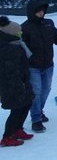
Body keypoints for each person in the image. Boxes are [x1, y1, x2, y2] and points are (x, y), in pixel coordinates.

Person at [21, 0, 57, 133]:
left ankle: (39, 110)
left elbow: (56, 37)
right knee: (36, 91)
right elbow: (22, 47)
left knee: (46, 89)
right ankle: (36, 119)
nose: (41, 13)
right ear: (32, 12)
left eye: (43, 10)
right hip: (33, 66)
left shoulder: (48, 24)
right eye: (38, 10)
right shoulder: (25, 27)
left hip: (48, 64)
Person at [0, 17, 34, 147]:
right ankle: (7, 136)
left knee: (26, 104)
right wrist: (18, 85)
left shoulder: (16, 44)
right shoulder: (8, 49)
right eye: (18, 32)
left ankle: (18, 129)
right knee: (16, 109)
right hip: (13, 85)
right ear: (11, 34)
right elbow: (10, 72)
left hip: (23, 81)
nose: (21, 34)